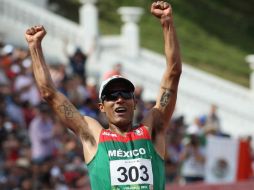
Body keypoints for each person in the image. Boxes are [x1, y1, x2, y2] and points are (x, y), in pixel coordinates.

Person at [24, 1, 182, 189]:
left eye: (125, 93)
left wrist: (167, 23)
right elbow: (49, 93)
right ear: (101, 106)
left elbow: (173, 73)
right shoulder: (93, 134)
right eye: (111, 96)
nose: (119, 99)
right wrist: (35, 47)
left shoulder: (152, 128)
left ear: (134, 102)